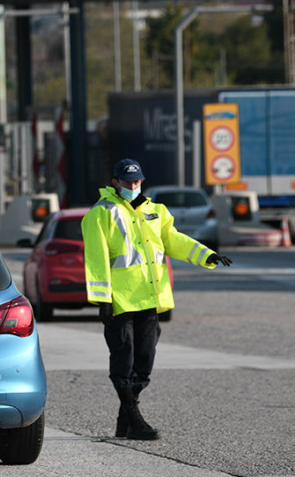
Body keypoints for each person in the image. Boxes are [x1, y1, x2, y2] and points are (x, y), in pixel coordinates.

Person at [81, 158, 232, 440]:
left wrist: (206, 255)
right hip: (120, 301)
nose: (133, 186)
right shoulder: (100, 214)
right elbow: (96, 260)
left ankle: (124, 419)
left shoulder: (156, 211)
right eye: (127, 182)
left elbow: (174, 240)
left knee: (145, 361)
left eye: (137, 181)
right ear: (115, 182)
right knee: (123, 361)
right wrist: (102, 300)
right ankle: (135, 420)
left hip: (149, 298)